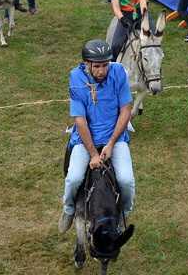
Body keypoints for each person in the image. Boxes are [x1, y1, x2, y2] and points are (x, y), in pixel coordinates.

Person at [58, 39, 135, 233]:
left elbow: (126, 110)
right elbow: (80, 120)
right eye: (97, 66)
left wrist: (110, 144)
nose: (102, 70)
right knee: (74, 178)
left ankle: (123, 212)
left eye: (105, 65)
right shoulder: (76, 78)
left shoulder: (118, 72)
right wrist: (93, 153)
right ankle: (68, 209)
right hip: (85, 140)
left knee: (126, 180)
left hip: (114, 138)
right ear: (87, 64)